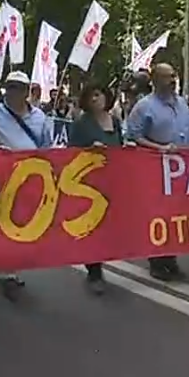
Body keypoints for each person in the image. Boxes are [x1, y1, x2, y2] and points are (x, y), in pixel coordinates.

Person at [127, 63, 189, 281]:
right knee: (159, 216)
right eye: (167, 77)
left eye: (174, 76)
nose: (173, 80)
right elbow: (133, 137)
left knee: (176, 215)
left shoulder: (182, 104)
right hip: (158, 170)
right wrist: (160, 148)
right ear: (155, 80)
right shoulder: (143, 107)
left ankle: (170, 259)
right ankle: (156, 261)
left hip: (183, 171)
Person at [0, 71, 53, 300]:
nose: (15, 92)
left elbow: (47, 145)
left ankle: (12, 268)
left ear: (27, 90)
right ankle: (6, 273)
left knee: (24, 223)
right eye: (11, 87)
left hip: (32, 178)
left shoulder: (39, 117)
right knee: (5, 223)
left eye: (19, 87)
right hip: (2, 177)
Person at [69, 81, 131, 294]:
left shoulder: (113, 120)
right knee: (94, 227)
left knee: (109, 227)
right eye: (91, 96)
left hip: (113, 181)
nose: (95, 99)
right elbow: (70, 152)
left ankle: (101, 262)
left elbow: (119, 145)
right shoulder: (82, 123)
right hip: (90, 183)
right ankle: (94, 271)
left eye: (99, 94)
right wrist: (89, 149)